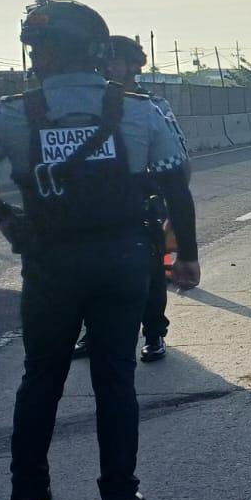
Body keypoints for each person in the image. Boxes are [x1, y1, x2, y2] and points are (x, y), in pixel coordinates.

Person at [0, 0, 200, 500]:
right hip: (123, 259)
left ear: (43, 54)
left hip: (50, 262)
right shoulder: (140, 110)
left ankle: (27, 492)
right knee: (114, 380)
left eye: (36, 49)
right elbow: (177, 188)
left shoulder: (12, 113)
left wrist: (5, 217)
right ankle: (117, 499)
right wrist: (185, 257)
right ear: (98, 51)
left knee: (41, 378)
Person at [73, 35, 181, 363]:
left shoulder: (152, 106)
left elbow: (177, 156)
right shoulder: (88, 105)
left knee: (150, 272)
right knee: (92, 272)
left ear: (135, 65)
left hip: (142, 201)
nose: (111, 67)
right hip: (95, 204)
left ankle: (153, 334)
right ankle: (94, 332)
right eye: (106, 61)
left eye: (118, 60)